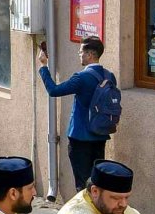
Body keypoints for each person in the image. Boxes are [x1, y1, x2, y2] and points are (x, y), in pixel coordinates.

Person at [37, 36, 112, 194]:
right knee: (97, 181)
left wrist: (43, 66)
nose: (79, 54)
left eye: (81, 52)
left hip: (80, 137)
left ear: (90, 54)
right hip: (100, 135)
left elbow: (54, 90)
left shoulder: (81, 77)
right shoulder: (109, 76)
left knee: (82, 184)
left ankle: (84, 208)